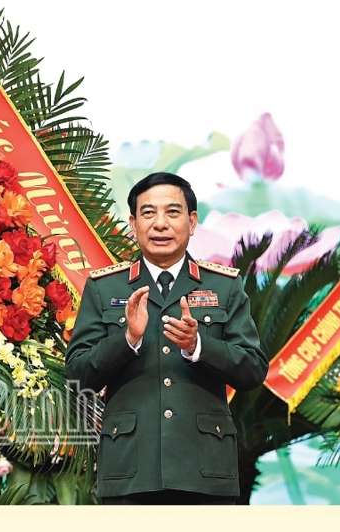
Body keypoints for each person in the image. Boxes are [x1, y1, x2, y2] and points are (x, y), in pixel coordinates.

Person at [66, 172, 268, 504]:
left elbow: (253, 370)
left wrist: (199, 346)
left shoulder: (224, 285)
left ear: (192, 222)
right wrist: (127, 338)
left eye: (172, 212)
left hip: (205, 472)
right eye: (148, 213)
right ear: (133, 223)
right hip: (131, 471)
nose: (160, 224)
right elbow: (77, 375)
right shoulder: (105, 288)